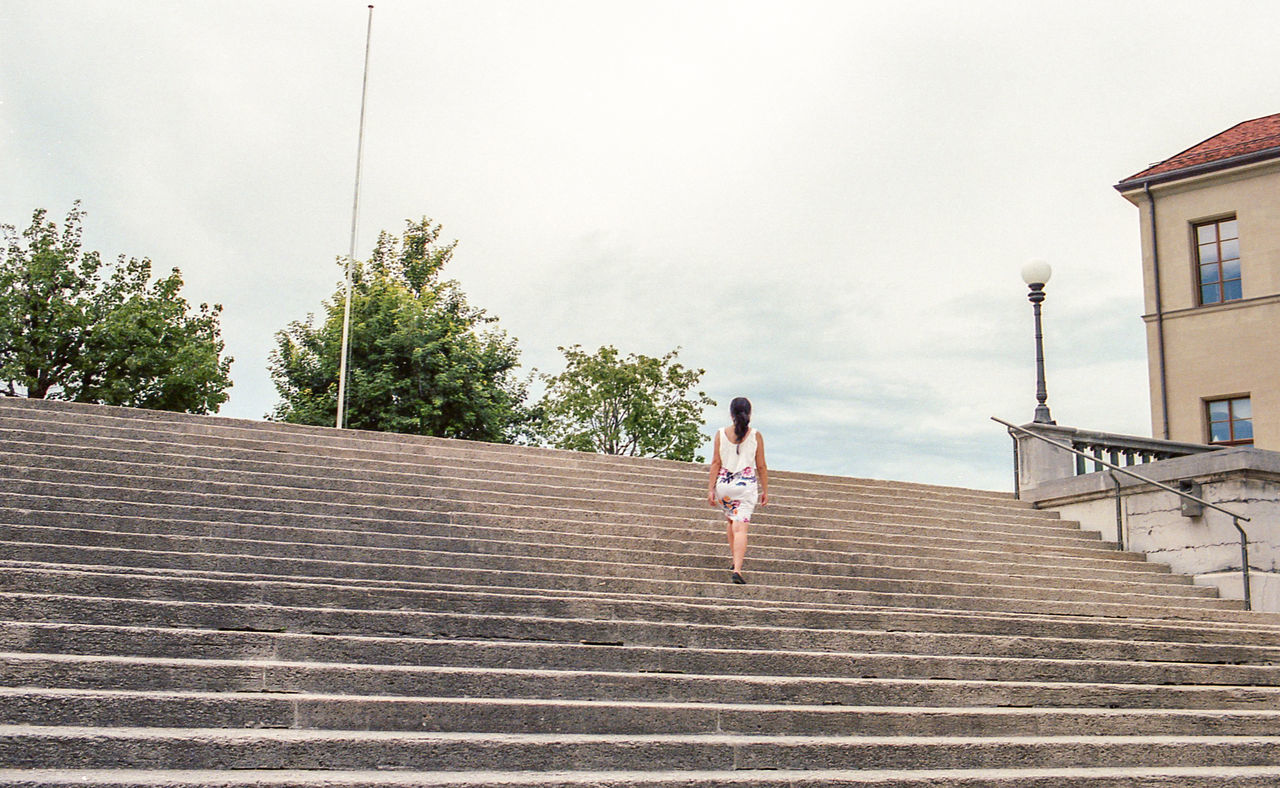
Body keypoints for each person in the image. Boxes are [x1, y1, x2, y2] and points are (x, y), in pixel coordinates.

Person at [706, 397, 768, 584]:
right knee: (741, 528)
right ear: (749, 413)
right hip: (745, 486)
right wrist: (765, 489)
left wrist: (710, 489)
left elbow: (716, 462)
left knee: (731, 521)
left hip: (724, 486)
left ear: (731, 413)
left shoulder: (720, 433)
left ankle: (734, 561)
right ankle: (738, 569)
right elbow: (761, 465)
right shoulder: (756, 435)